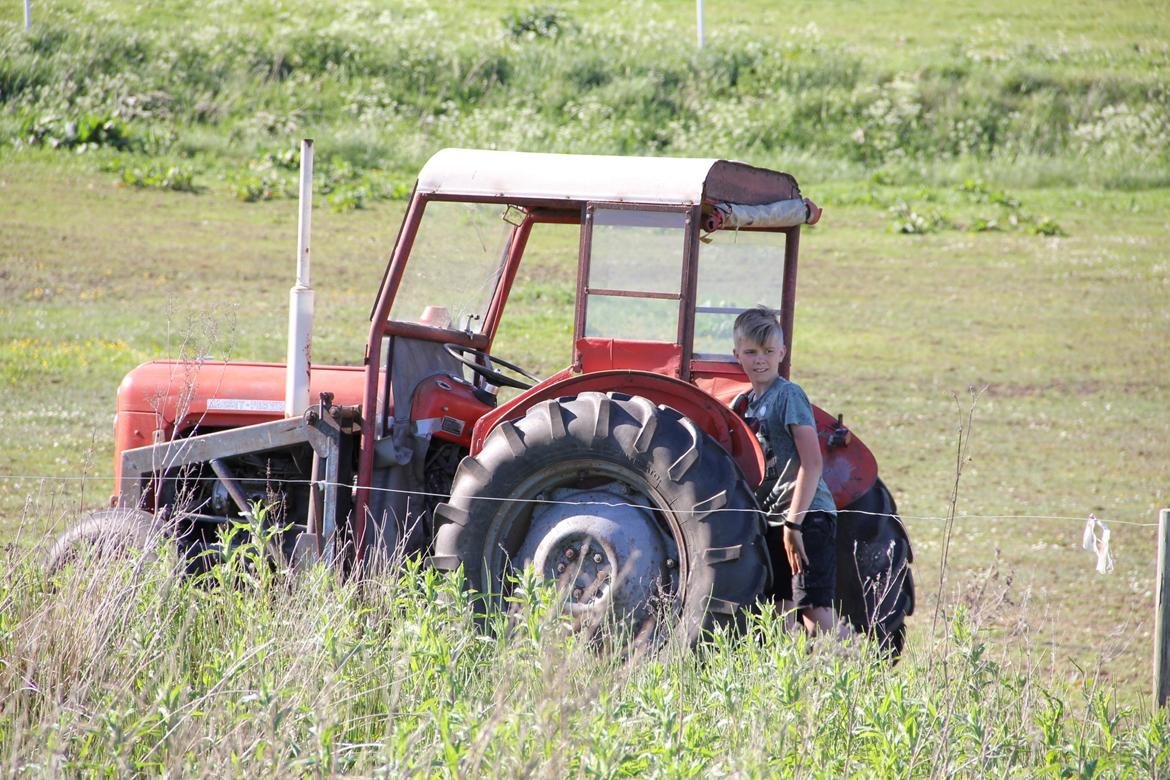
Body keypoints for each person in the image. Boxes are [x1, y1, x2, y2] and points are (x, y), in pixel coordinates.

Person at [732, 305, 843, 637]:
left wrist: (795, 524)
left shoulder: (789, 395)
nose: (760, 359)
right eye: (751, 352)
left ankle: (866, 671)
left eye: (767, 351)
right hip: (775, 521)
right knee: (780, 614)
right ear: (736, 354)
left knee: (814, 611)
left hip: (806, 516)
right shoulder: (745, 403)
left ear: (782, 352)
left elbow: (812, 463)